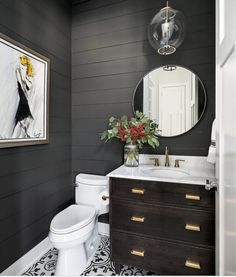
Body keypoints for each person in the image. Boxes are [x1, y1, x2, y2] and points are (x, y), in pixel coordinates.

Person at [12, 55, 34, 138]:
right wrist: (23, 84)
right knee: (24, 104)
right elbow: (19, 81)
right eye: (21, 58)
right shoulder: (18, 68)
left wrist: (26, 82)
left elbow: (30, 84)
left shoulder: (29, 69)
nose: (22, 60)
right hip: (20, 89)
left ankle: (23, 126)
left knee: (23, 106)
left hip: (26, 91)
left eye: (24, 58)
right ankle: (23, 125)